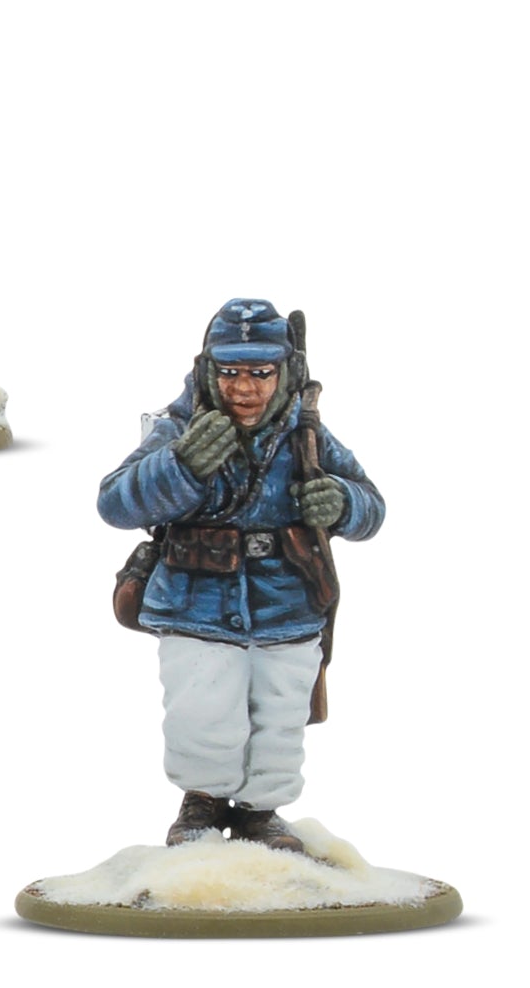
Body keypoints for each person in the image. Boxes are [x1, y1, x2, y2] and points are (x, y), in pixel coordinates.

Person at [98, 299, 386, 851]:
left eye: (261, 372)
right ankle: (201, 804)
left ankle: (262, 812)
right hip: (195, 602)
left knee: (279, 717)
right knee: (201, 713)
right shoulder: (180, 429)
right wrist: (181, 466)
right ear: (209, 371)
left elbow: (371, 506)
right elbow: (114, 503)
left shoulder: (306, 434)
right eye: (230, 372)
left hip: (287, 604)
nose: (245, 388)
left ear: (285, 373)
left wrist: (342, 502)